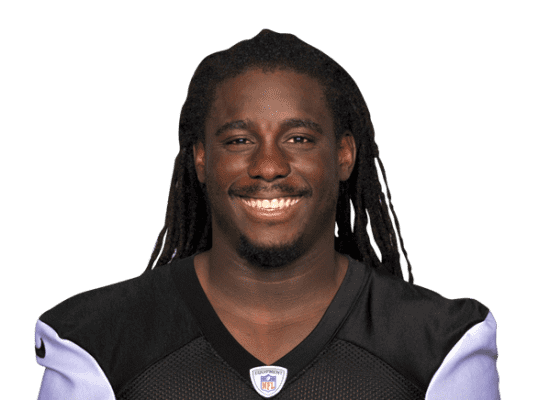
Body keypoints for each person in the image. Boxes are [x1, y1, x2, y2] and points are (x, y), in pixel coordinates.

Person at [34, 28, 501, 399]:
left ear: (343, 155)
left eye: (299, 139)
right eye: (239, 141)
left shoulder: (439, 344)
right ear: (201, 159)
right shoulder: (99, 341)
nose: (269, 166)